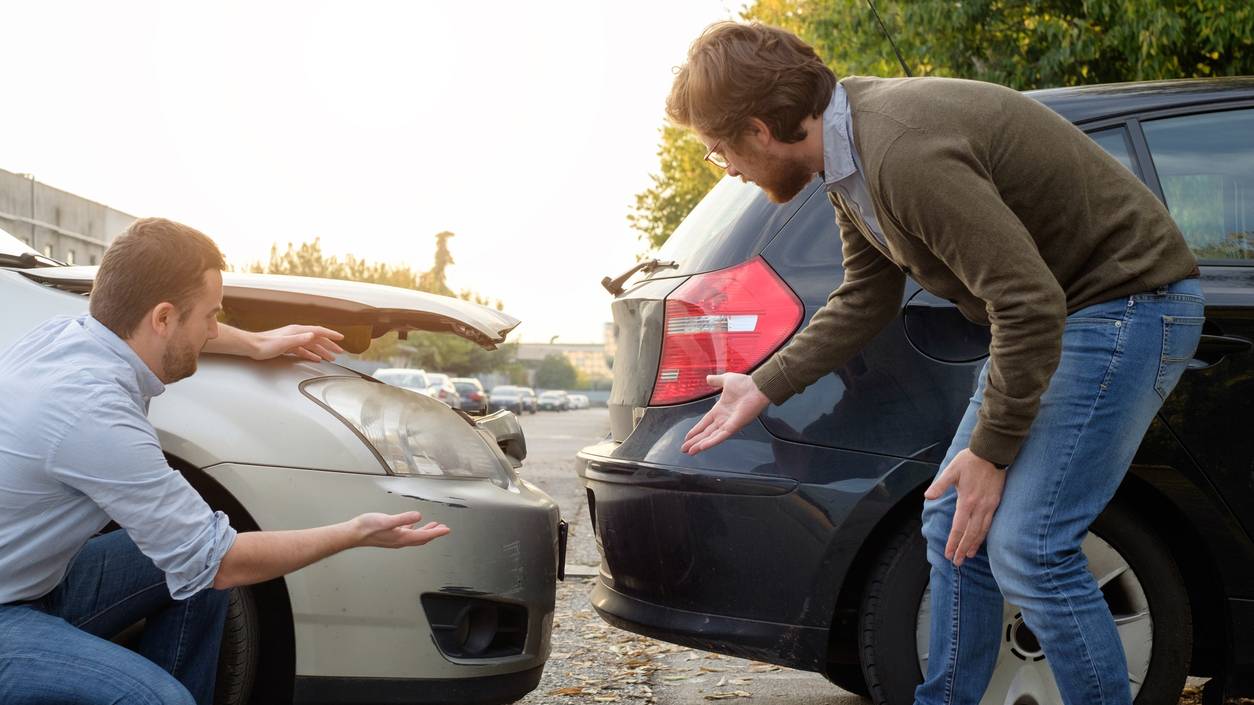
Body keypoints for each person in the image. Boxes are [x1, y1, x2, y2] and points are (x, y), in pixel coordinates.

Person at [669, 22, 1203, 705]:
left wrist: (991, 450)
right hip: (1064, 315)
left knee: (1030, 548)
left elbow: (1027, 300)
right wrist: (764, 384)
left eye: (719, 152)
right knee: (953, 522)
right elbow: (866, 296)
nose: (731, 167)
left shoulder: (901, 152)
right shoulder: (848, 157)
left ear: (757, 129)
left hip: (1126, 303)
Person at [0, 218, 451, 705]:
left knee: (186, 568)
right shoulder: (93, 412)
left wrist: (257, 343)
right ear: (164, 318)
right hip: (8, 613)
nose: (214, 330)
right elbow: (222, 564)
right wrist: (355, 533)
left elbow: (199, 560)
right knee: (161, 695)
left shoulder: (66, 336)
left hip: (36, 584)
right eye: (210, 318)